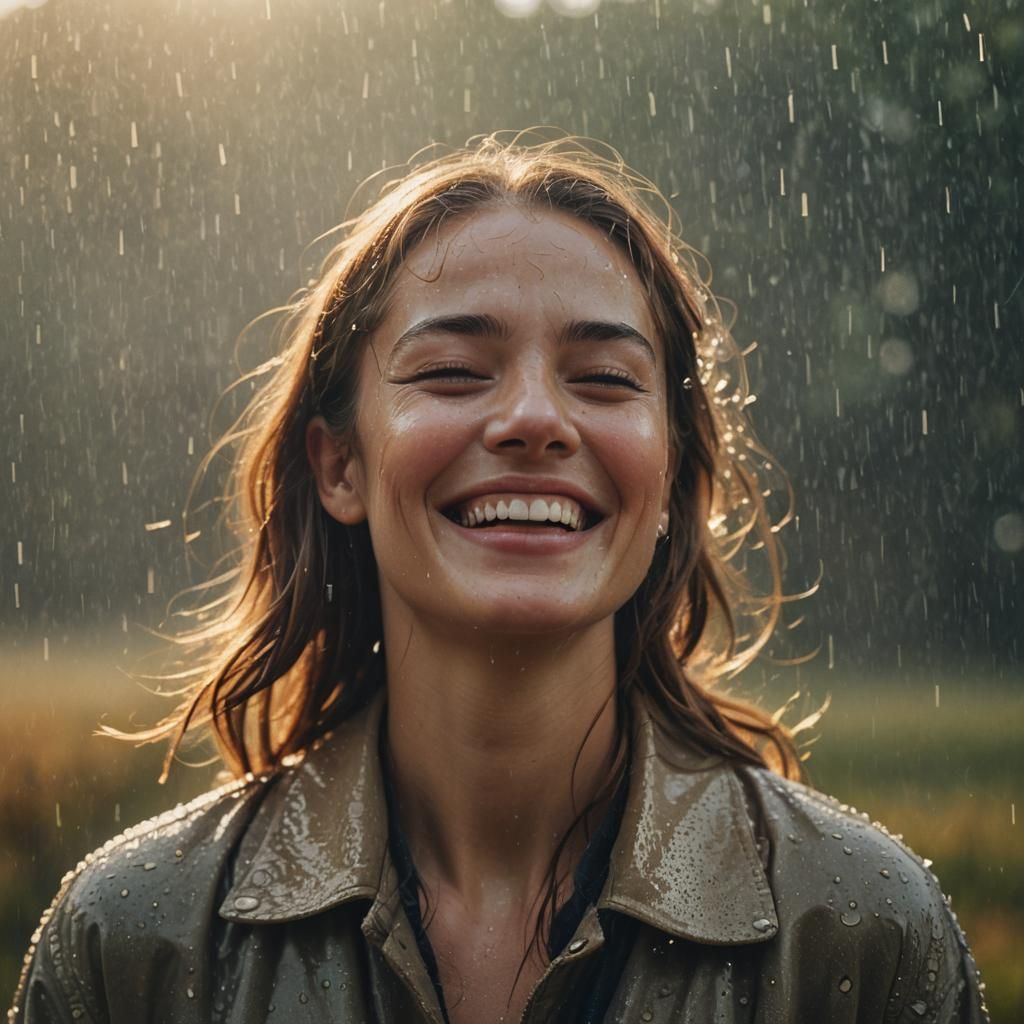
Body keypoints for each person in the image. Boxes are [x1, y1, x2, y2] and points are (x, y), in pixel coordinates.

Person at [10, 132, 987, 1024]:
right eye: (451, 371)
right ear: (338, 465)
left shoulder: (860, 935)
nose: (533, 417)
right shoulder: (132, 944)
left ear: (674, 479)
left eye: (603, 378)